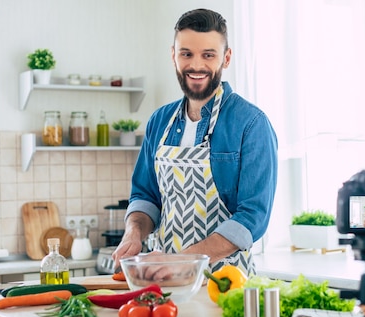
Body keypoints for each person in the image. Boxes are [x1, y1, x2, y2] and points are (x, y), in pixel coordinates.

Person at [112, 8, 278, 276]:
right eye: (186, 53)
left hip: (226, 284)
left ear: (226, 58)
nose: (196, 65)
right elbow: (145, 196)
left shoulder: (251, 124)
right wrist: (133, 234)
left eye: (208, 55)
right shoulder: (159, 121)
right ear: (173, 56)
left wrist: (184, 261)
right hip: (165, 280)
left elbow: (252, 217)